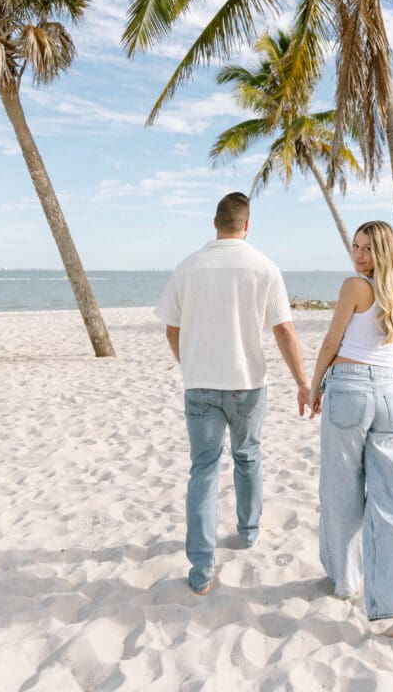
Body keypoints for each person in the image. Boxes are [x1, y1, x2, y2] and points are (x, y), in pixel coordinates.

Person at [156, 191, 310, 595]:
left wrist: (188, 363)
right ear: (247, 225)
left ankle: (202, 570)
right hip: (248, 384)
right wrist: (302, 382)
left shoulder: (187, 267)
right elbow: (284, 330)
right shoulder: (264, 267)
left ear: (214, 222)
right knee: (248, 457)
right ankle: (248, 532)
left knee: (204, 471)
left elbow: (172, 328)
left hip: (201, 384)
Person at [308, 220, 393, 641]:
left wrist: (314, 386)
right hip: (390, 396)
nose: (358, 256)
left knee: (342, 491)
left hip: (349, 390)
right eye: (355, 247)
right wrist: (379, 385)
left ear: (383, 252)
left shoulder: (355, 287)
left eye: (367, 249)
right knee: (392, 498)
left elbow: (330, 343)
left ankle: (346, 581)